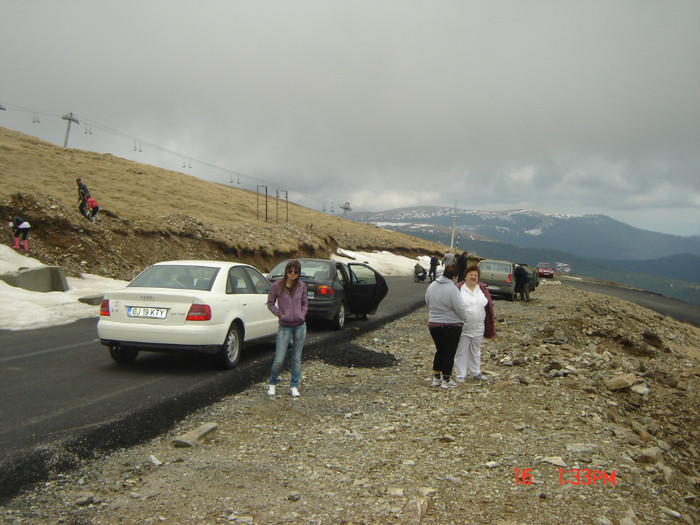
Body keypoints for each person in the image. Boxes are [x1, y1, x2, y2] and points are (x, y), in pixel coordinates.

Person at [266, 259, 308, 397]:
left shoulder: (302, 286)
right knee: (279, 358)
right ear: (286, 271)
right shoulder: (277, 286)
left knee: (297, 357)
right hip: (284, 326)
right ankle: (272, 383)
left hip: (300, 326)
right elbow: (270, 303)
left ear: (299, 273)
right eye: (290, 271)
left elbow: (304, 303)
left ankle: (294, 385)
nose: (293, 274)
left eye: (296, 271)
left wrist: (303, 313)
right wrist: (280, 314)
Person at [425, 264, 467, 389]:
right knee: (449, 352)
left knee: (440, 350)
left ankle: (436, 378)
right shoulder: (453, 289)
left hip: (434, 324)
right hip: (451, 324)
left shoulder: (432, 285)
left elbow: (427, 300)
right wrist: (464, 318)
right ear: (455, 276)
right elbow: (459, 307)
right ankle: (446, 379)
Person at [454, 265, 496, 382]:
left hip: (478, 326)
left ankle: (475, 372)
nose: (473, 277)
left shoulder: (482, 289)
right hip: (463, 327)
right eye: (471, 275)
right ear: (465, 276)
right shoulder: (459, 289)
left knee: (476, 350)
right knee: (461, 350)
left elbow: (488, 306)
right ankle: (460, 374)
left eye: (475, 275)